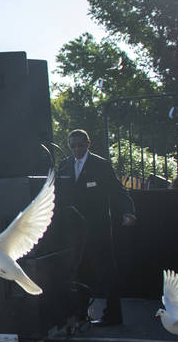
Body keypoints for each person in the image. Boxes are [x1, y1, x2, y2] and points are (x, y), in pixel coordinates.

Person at [57, 128, 136, 326]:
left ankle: (113, 316)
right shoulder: (64, 166)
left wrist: (128, 211)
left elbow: (118, 191)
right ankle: (81, 313)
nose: (77, 149)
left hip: (98, 229)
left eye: (80, 145)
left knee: (106, 271)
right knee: (78, 272)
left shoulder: (101, 165)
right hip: (74, 231)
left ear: (88, 144)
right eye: (73, 146)